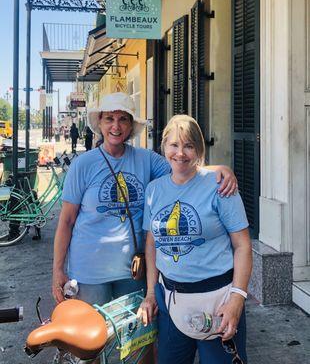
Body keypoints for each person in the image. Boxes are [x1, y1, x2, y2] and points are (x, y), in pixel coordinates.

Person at [52, 93, 237, 307]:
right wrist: (58, 270)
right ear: (100, 123)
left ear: (131, 126)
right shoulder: (82, 165)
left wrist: (221, 170)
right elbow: (66, 221)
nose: (116, 126)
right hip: (88, 272)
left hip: (132, 271)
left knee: (133, 338)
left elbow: (184, 167)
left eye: (123, 119)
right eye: (109, 119)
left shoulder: (145, 159)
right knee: (93, 337)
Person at [139, 115, 252, 364]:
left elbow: (243, 245)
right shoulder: (154, 190)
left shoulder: (221, 186)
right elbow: (151, 244)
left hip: (218, 302)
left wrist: (236, 300)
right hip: (170, 303)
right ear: (164, 147)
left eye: (189, 145)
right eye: (174, 145)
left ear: (199, 149)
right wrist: (150, 292)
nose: (181, 153)